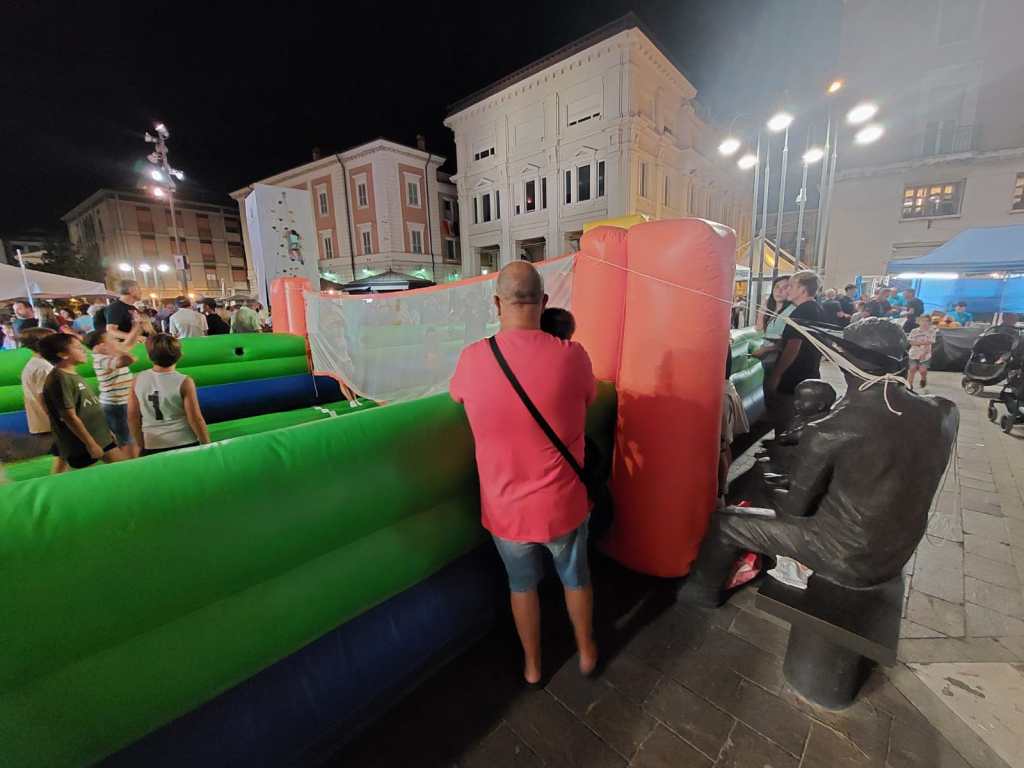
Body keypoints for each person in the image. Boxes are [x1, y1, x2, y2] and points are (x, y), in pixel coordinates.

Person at [450, 262, 597, 686]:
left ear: (497, 303)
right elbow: (589, 396)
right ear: (545, 303)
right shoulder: (573, 356)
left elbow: (456, 395)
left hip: (506, 510)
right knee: (576, 578)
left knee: (522, 588)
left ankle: (533, 666)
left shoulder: (472, 358)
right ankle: (586, 650)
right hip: (563, 505)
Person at [38, 333, 123, 469]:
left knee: (122, 468)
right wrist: (90, 444)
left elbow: (88, 406)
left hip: (99, 435)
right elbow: (69, 416)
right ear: (63, 355)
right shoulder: (60, 379)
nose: (83, 350)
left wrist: (106, 431)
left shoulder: (72, 375)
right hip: (84, 442)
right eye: (77, 348)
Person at [129, 333, 211, 455]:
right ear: (180, 355)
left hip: (152, 441)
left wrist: (140, 444)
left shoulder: (137, 379)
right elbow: (195, 418)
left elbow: (132, 417)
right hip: (183, 440)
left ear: (149, 357)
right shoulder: (184, 381)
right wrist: (207, 444)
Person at [766, 270, 823, 428]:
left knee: (786, 423)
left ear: (803, 289)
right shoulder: (816, 308)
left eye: (791, 286)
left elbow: (794, 346)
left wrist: (777, 375)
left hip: (794, 377)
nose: (787, 290)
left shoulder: (802, 311)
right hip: (808, 373)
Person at [84, 321, 142, 458]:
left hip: (122, 401)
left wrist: (137, 327)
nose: (116, 341)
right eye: (112, 340)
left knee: (130, 434)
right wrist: (117, 350)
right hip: (116, 404)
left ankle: (134, 459)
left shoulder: (107, 355)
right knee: (126, 438)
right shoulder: (101, 360)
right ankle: (130, 463)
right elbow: (129, 359)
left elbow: (128, 345)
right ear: (101, 346)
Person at [18, 327, 66, 473]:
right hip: (50, 422)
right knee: (63, 453)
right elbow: (43, 398)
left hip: (44, 421)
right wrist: (59, 418)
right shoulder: (43, 367)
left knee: (64, 454)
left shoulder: (34, 364)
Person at [907, 314, 937, 391]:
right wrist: (923, 342)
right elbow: (911, 342)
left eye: (926, 321)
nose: (924, 323)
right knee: (912, 369)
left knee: (922, 370)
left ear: (929, 322)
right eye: (922, 321)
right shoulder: (914, 331)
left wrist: (923, 353)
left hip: (925, 354)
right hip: (913, 353)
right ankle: (909, 386)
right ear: (918, 321)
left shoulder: (932, 331)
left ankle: (923, 378)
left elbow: (930, 342)